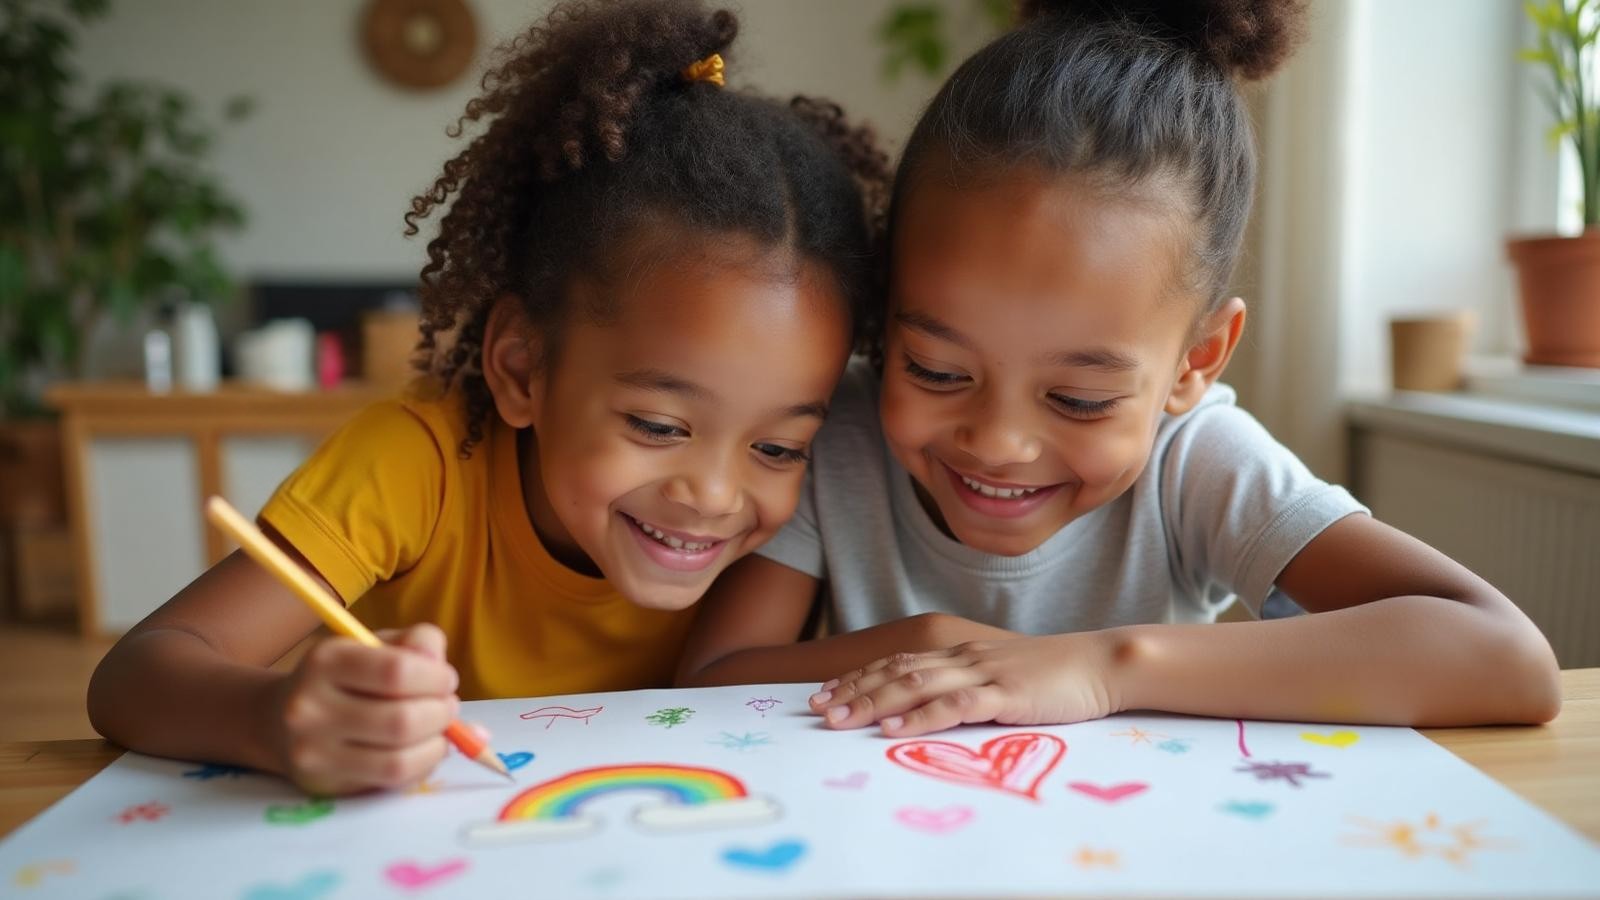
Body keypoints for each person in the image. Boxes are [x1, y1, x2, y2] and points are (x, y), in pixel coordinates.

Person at [677, 0, 1561, 737]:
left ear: (1195, 361)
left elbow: (1505, 658)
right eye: (938, 370)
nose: (998, 441)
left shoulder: (1197, 464)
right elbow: (705, 685)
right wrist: (939, 638)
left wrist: (1104, 665)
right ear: (882, 318)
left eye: (1078, 397)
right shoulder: (843, 442)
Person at [87, 0, 889, 795]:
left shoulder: (767, 531)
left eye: (777, 447)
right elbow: (134, 675)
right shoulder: (416, 463)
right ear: (519, 367)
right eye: (657, 424)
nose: (716, 496)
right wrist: (278, 716)